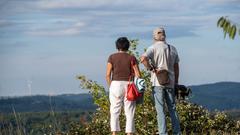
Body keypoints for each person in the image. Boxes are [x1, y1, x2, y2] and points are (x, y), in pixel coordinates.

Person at [140, 27, 181, 135]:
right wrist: (176, 82)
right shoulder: (173, 49)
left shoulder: (152, 48)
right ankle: (177, 132)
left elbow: (143, 59)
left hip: (157, 82)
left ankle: (163, 133)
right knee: (172, 108)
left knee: (160, 110)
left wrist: (151, 69)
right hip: (170, 82)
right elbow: (176, 67)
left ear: (154, 36)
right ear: (164, 35)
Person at [106, 37, 141, 135]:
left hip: (115, 85)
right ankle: (129, 133)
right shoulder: (132, 57)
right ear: (128, 46)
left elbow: (108, 74)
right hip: (129, 85)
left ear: (117, 46)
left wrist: (111, 86)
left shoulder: (111, 57)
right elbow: (138, 74)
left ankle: (114, 133)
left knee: (114, 110)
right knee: (129, 111)